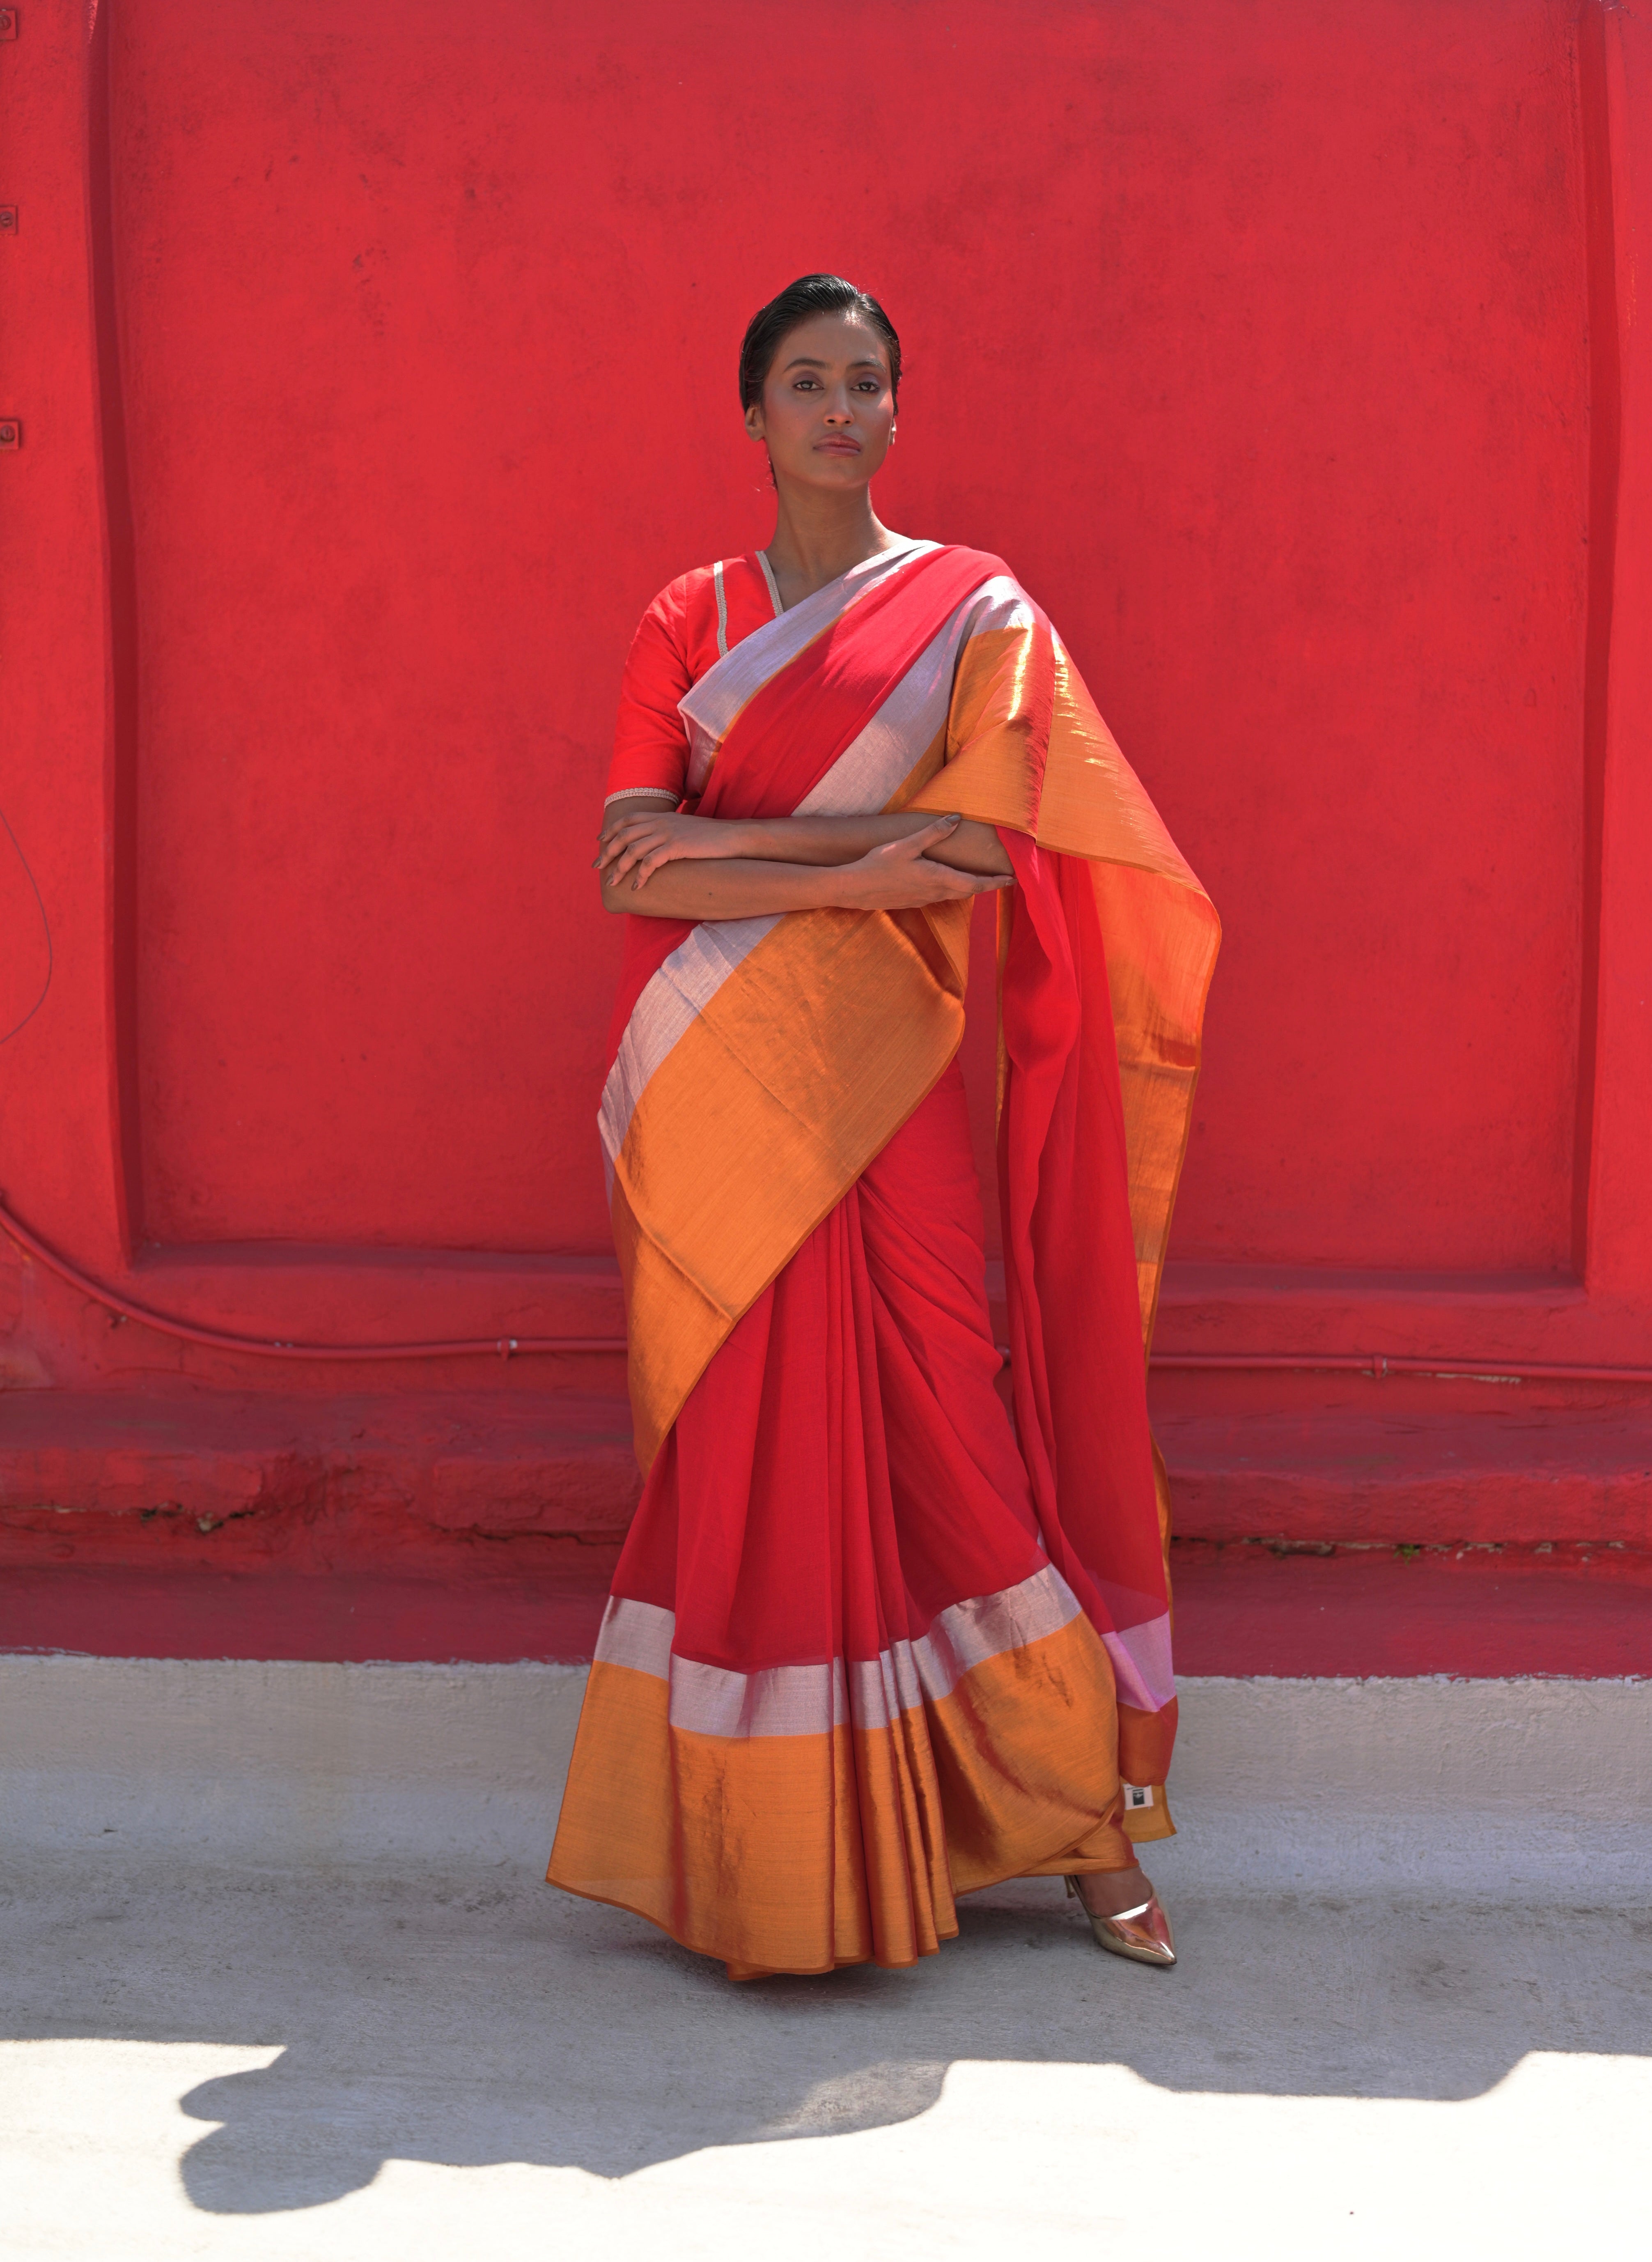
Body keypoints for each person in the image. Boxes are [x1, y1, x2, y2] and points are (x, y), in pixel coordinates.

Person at [546, 275, 1218, 1981]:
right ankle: (758, 1854)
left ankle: (1072, 1814)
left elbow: (993, 854)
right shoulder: (686, 616)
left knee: (955, 1427)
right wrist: (866, 865)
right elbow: (629, 854)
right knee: (747, 1453)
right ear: (753, 415)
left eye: (866, 381)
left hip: (891, 1086)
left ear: (895, 413)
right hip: (713, 1086)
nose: (839, 407)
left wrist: (753, 862)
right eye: (805, 380)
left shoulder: (974, 612)